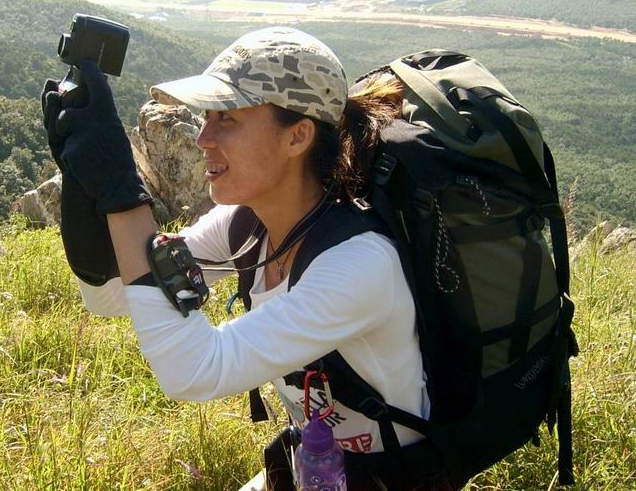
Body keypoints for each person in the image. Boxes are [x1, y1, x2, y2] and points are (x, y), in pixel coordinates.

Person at [42, 27, 443, 489]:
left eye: (227, 118)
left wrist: (120, 190)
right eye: (207, 116)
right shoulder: (245, 225)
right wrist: (82, 183)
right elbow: (112, 295)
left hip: (391, 479)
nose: (203, 137)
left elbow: (194, 370)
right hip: (318, 465)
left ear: (298, 137)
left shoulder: (360, 265)